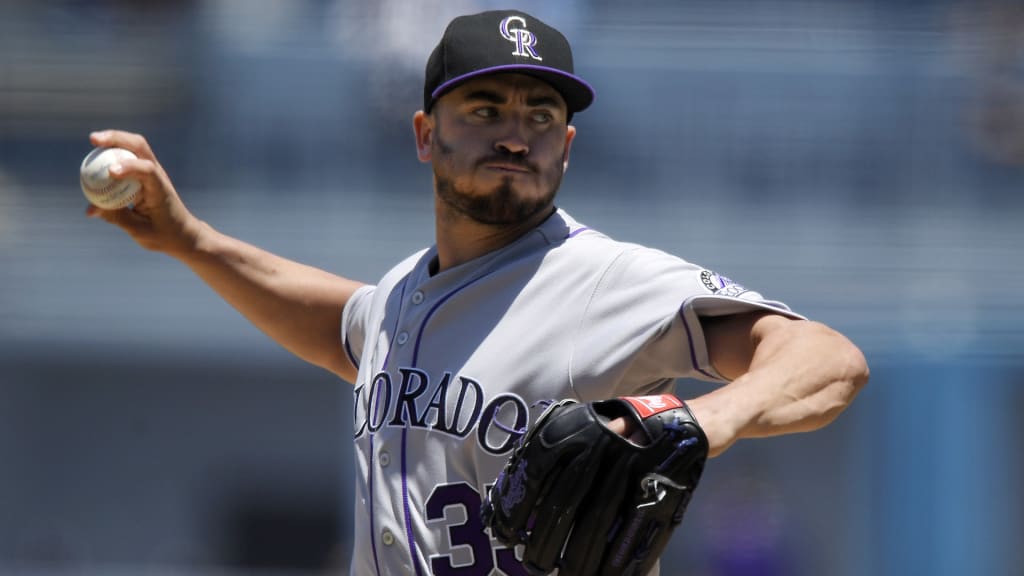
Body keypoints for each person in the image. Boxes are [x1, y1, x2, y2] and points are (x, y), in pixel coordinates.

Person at [86, 9, 869, 576]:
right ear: (426, 134)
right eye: (485, 108)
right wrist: (189, 238)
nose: (514, 133)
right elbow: (340, 327)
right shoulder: (400, 295)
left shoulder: (608, 282)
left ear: (566, 144)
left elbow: (829, 361)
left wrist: (694, 424)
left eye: (540, 114)